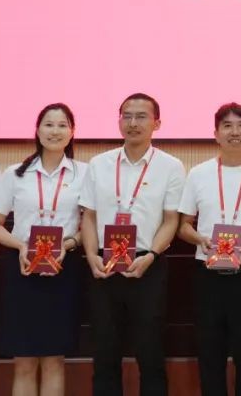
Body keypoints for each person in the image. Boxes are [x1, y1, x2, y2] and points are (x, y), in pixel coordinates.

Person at [79, 93, 185, 396]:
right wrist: (91, 255)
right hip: (103, 266)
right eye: (127, 116)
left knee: (150, 352)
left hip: (147, 265)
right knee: (104, 352)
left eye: (141, 116)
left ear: (157, 123)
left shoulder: (171, 166)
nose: (133, 123)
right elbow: (89, 216)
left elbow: (171, 220)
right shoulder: (99, 164)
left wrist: (151, 255)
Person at [178, 102, 241, 396]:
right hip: (208, 275)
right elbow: (183, 225)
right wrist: (200, 239)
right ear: (216, 134)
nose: (234, 132)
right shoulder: (198, 173)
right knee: (210, 353)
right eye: (227, 126)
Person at [0, 103, 87, 396]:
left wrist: (69, 244)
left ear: (72, 132)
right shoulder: (14, 174)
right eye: (48, 124)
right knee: (24, 362)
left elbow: (91, 225)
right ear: (37, 130)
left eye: (62, 125)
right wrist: (21, 245)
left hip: (63, 269)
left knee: (55, 360)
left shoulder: (84, 174)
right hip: (22, 269)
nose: (55, 131)